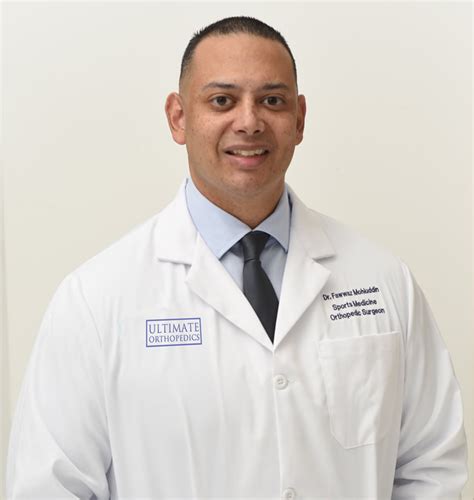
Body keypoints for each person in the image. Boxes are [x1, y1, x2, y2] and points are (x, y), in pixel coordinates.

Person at [6, 16, 467, 499]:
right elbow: (50, 488)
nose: (249, 122)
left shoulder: (382, 280)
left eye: (272, 101)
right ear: (178, 117)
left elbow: (431, 466)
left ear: (299, 119)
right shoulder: (96, 300)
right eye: (222, 100)